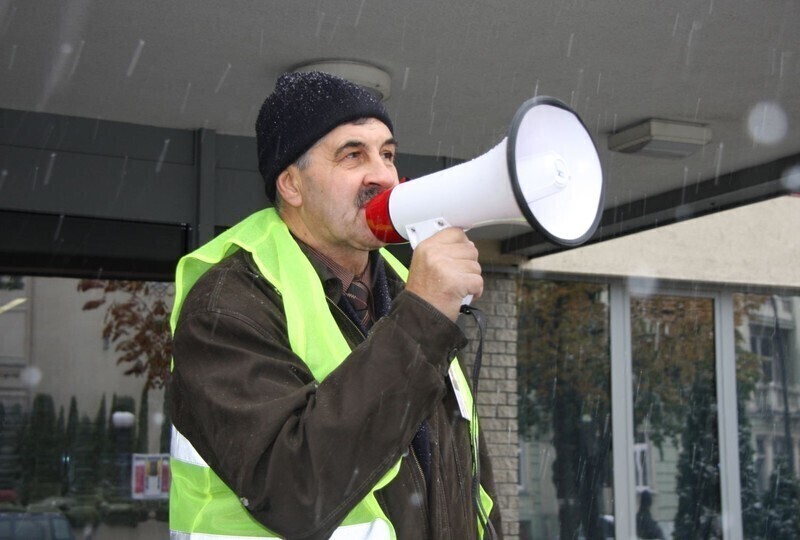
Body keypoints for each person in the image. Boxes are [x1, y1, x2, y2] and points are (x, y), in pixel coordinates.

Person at [168, 71, 503, 540]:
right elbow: (294, 489)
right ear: (291, 185)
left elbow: (467, 481)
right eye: (353, 155)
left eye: (388, 154)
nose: (384, 175)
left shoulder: (410, 290)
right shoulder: (227, 306)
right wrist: (422, 314)